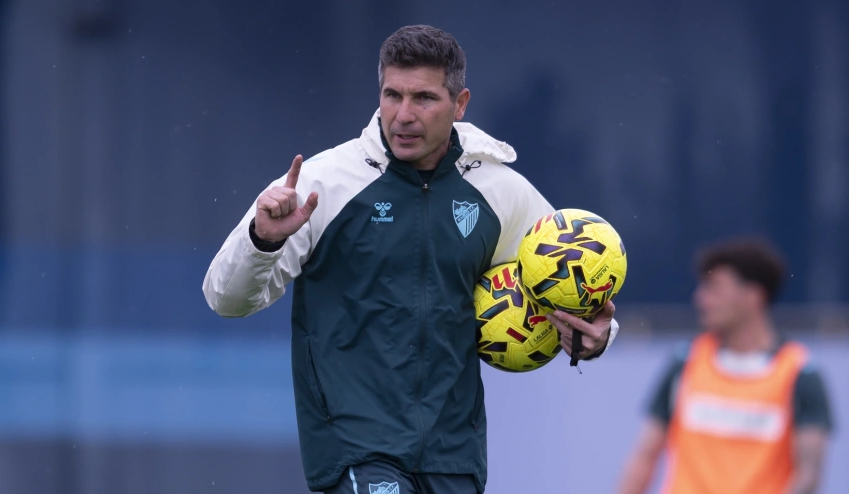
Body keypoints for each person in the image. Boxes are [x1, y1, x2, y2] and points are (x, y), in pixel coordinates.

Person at [203, 25, 619, 494]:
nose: (403, 115)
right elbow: (225, 298)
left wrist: (595, 335)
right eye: (392, 95)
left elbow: (569, 283)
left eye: (423, 98)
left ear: (460, 104)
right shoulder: (321, 184)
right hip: (355, 443)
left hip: (453, 452)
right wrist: (262, 240)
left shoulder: (500, 190)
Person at [618, 237, 833, 494]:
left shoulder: (799, 373)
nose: (700, 299)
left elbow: (808, 476)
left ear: (753, 296)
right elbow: (644, 458)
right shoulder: (686, 362)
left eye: (714, 288)